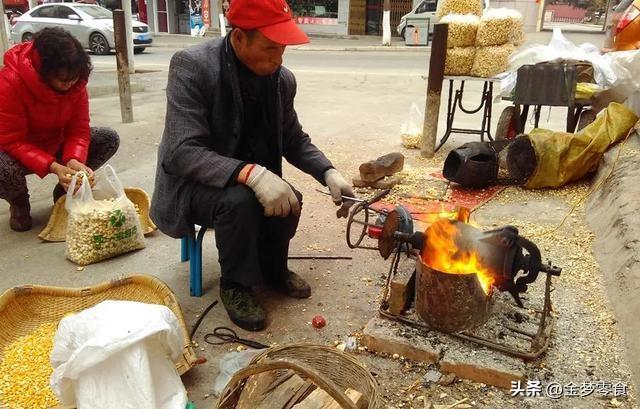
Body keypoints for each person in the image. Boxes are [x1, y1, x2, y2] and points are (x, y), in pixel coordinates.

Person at [151, 0, 354, 331]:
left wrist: (328, 172)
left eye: (283, 49)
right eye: (270, 48)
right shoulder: (193, 66)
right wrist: (251, 174)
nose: (278, 59)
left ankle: (273, 270)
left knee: (289, 198)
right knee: (240, 201)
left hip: (245, 179)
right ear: (240, 37)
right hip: (193, 185)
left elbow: (294, 140)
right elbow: (180, 151)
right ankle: (235, 285)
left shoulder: (280, 80)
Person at [0, 28, 120, 232]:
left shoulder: (76, 82)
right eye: (64, 80)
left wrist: (73, 160)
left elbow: (79, 129)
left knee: (108, 138)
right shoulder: (9, 82)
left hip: (57, 142)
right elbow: (11, 141)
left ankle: (66, 191)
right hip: (17, 153)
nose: (71, 84)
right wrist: (54, 167)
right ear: (43, 73)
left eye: (75, 78)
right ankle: (19, 201)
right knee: (3, 171)